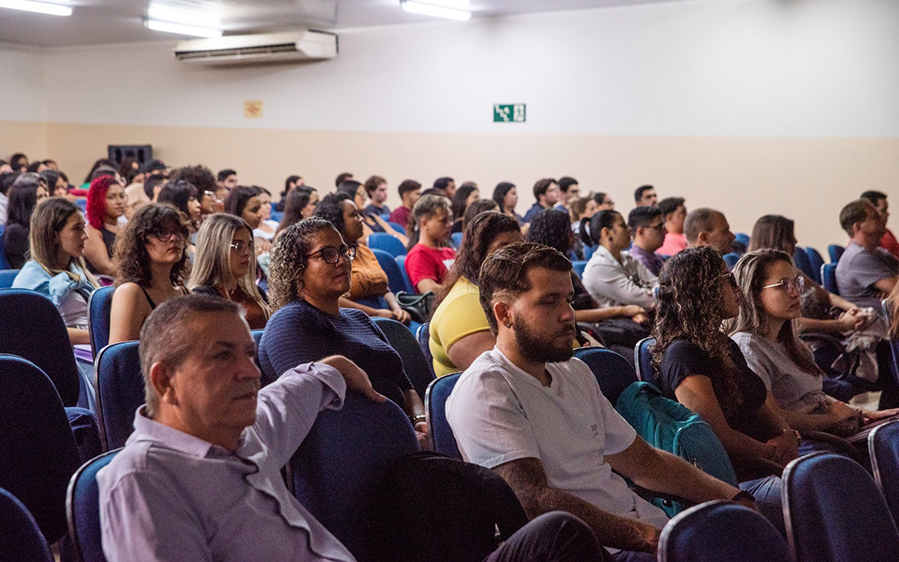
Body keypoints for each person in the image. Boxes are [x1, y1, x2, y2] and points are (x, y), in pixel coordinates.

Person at [99, 294, 608, 562]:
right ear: (165, 380)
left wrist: (335, 367)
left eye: (250, 355)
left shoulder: (242, 434)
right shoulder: (144, 481)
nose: (251, 371)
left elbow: (298, 387)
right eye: (222, 356)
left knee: (557, 537)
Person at [446, 242, 755, 561]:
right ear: (504, 313)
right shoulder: (486, 387)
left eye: (567, 299)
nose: (568, 314)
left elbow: (646, 463)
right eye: (549, 302)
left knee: (750, 531)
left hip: (645, 536)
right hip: (597, 550)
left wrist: (733, 496)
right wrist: (652, 538)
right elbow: (532, 500)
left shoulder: (574, 371)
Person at [651, 246, 796, 529]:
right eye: (727, 280)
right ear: (701, 290)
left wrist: (785, 433)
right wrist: (772, 453)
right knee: (818, 492)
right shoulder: (683, 354)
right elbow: (717, 437)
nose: (736, 288)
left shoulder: (722, 343)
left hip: (766, 464)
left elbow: (760, 407)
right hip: (735, 483)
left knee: (830, 475)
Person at [260, 217, 428, 447]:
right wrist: (405, 436)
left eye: (343, 251)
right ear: (297, 268)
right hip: (357, 451)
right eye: (327, 254)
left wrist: (420, 421)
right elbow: (321, 408)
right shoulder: (290, 322)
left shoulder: (358, 318)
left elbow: (404, 384)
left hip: (404, 439)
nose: (342, 261)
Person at [729, 249, 899, 436]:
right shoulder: (748, 347)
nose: (795, 293)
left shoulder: (790, 342)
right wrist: (831, 419)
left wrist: (860, 412)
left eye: (795, 283)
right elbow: (772, 419)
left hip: (826, 430)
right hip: (807, 442)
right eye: (782, 285)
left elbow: (814, 397)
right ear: (754, 296)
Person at [429, 212, 523, 377]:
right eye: (504, 247)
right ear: (478, 252)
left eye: (520, 248)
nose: (517, 256)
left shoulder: (501, 292)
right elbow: (502, 373)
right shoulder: (462, 305)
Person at [312, 193, 410, 324]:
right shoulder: (327, 258)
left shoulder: (364, 251)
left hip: (387, 315)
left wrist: (397, 309)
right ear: (337, 222)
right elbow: (331, 299)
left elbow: (384, 289)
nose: (361, 219)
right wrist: (375, 314)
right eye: (354, 215)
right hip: (353, 321)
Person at [12, 197, 99, 345]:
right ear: (54, 235)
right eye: (77, 228)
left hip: (93, 344)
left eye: (84, 227)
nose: (85, 235)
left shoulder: (77, 271)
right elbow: (38, 331)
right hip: (69, 353)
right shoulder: (31, 279)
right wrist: (99, 337)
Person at [109, 203, 191, 344]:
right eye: (162, 233)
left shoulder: (186, 293)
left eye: (178, 232)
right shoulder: (130, 293)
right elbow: (120, 360)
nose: (174, 238)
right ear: (142, 240)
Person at [189, 214, 270, 329]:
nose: (247, 252)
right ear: (215, 249)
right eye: (238, 245)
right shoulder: (201, 299)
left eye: (249, 245)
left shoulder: (257, 293)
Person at [581, 210, 657, 310]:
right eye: (623, 226)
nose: (629, 229)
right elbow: (638, 298)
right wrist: (658, 295)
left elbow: (655, 282)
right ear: (606, 232)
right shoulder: (598, 267)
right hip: (611, 323)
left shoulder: (627, 258)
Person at [835, 199, 899, 310]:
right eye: (875, 217)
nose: (883, 219)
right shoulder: (858, 258)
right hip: (881, 325)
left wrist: (893, 290)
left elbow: (895, 288)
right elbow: (896, 288)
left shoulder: (879, 252)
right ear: (858, 227)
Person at [404, 194, 456, 294]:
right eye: (443, 220)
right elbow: (429, 290)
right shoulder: (419, 254)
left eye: (450, 219)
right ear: (425, 223)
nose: (450, 224)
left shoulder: (449, 251)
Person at [337, 180, 407, 245]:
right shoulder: (354, 221)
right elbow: (373, 240)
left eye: (364, 194)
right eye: (360, 194)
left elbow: (393, 232)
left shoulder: (371, 216)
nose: (363, 198)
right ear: (350, 194)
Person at [3, 172, 49, 268]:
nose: (46, 200)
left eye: (46, 195)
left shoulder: (42, 225)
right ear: (26, 202)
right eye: (40, 197)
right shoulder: (16, 232)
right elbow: (41, 263)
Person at [84, 175, 127, 276]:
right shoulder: (92, 232)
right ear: (98, 200)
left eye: (122, 196)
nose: (119, 202)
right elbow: (107, 268)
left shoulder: (126, 226)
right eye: (111, 197)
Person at [626, 207, 666, 276]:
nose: (666, 231)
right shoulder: (639, 263)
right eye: (659, 227)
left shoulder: (654, 255)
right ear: (641, 232)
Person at [861, 190, 899, 258]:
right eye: (883, 210)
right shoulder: (862, 243)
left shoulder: (886, 233)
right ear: (869, 212)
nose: (888, 214)